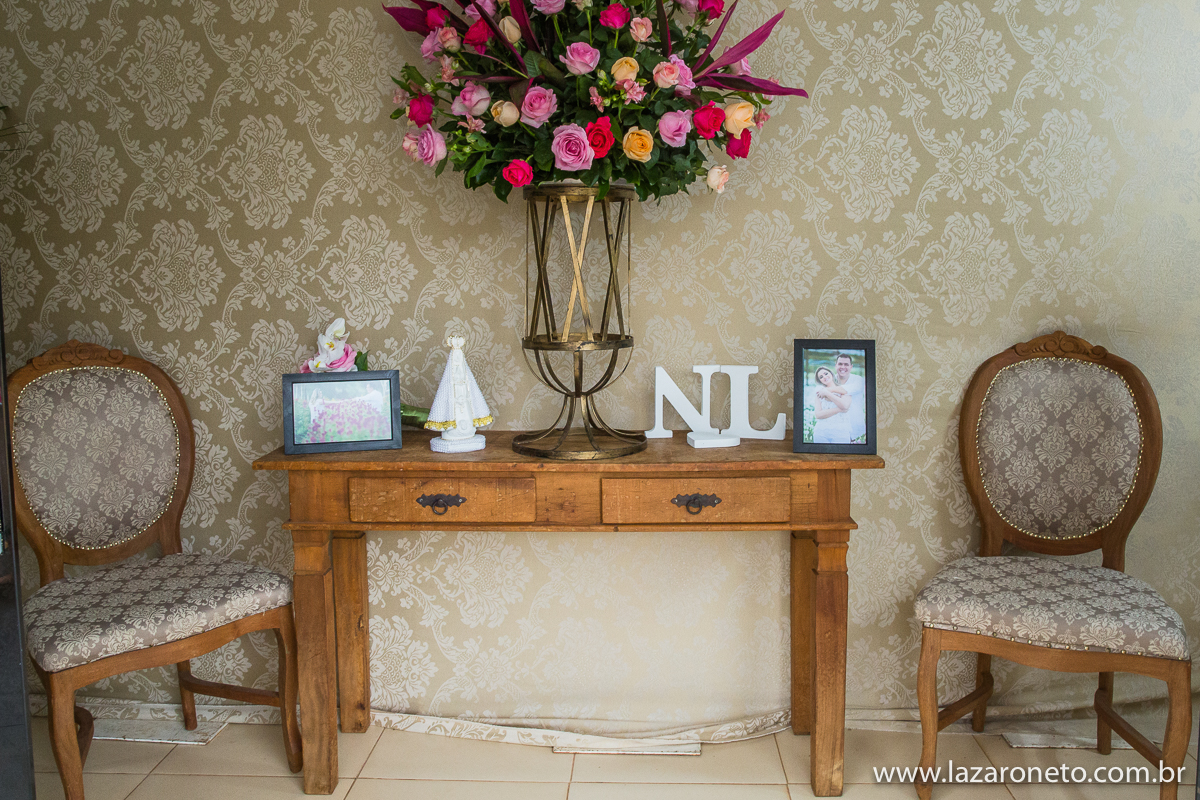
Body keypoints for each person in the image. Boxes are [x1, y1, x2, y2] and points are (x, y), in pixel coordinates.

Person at [810, 366, 852, 443]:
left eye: (826, 373)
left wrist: (826, 393)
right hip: (821, 432)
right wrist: (840, 409)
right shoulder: (819, 391)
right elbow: (818, 415)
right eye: (821, 377)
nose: (825, 377)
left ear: (831, 374)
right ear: (820, 381)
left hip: (841, 432)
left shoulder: (844, 389)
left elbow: (845, 405)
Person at [834, 352, 867, 442]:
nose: (843, 367)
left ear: (851, 367)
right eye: (840, 364)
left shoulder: (858, 380)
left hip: (856, 430)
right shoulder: (831, 380)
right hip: (837, 430)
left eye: (846, 364)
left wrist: (829, 390)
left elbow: (844, 390)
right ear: (835, 365)